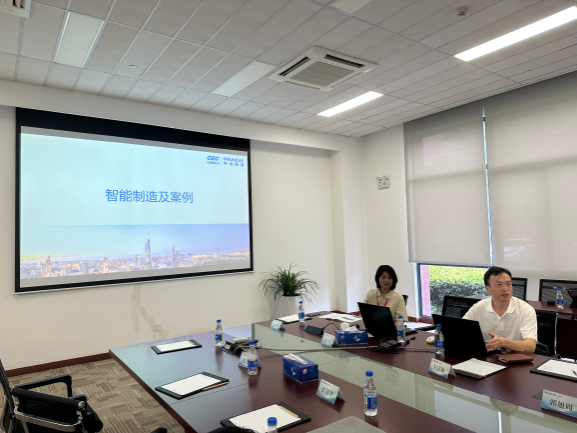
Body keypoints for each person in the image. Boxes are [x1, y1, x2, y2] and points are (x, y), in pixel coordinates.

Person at [463, 266, 537, 353]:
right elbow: (461, 332)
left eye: (508, 284)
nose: (505, 289)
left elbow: (530, 346)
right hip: (486, 356)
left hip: (515, 357)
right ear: (487, 288)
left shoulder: (526, 309)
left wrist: (502, 342)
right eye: (499, 284)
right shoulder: (478, 307)